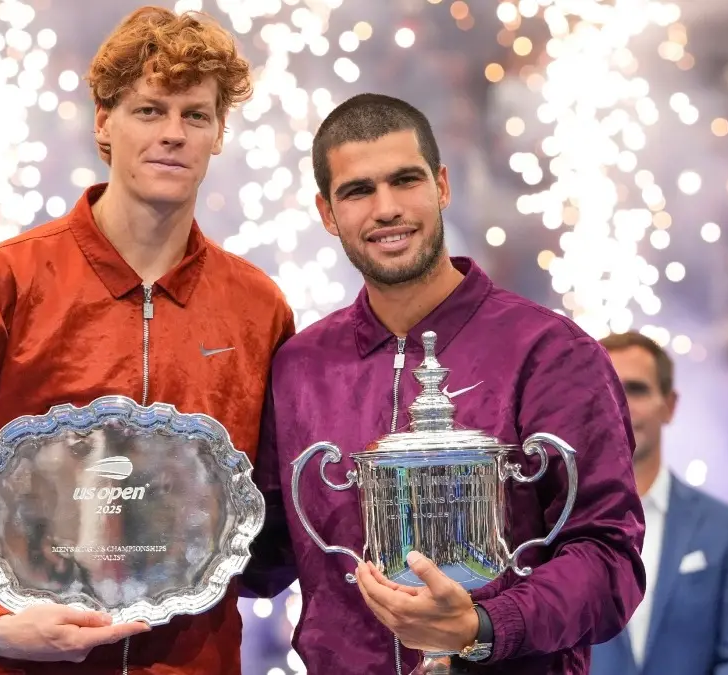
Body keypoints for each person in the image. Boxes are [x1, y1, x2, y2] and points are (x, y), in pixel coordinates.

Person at [0, 7, 295, 675]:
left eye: (196, 115)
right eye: (149, 111)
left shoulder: (256, 306)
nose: (173, 135)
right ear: (104, 122)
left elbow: (261, 530)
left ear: (218, 134)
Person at [252, 92, 646, 674]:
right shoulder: (300, 367)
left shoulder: (549, 351)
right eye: (358, 191)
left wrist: (481, 627)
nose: (386, 208)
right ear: (327, 213)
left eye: (405, 181)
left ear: (441, 185)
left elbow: (609, 560)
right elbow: (266, 555)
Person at [590, 332, 728, 675]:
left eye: (637, 389)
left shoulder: (727, 532)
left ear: (669, 405)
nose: (621, 405)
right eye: (607, 389)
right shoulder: (551, 529)